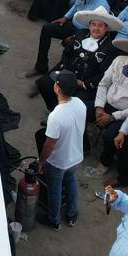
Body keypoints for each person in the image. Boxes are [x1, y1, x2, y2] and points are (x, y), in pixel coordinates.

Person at [37, 70, 87, 230]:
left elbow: (49, 145)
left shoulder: (56, 116)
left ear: (57, 88)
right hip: (75, 157)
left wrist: (41, 161)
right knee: (71, 182)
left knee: (55, 190)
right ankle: (72, 214)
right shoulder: (80, 103)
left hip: (58, 162)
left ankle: (54, 219)